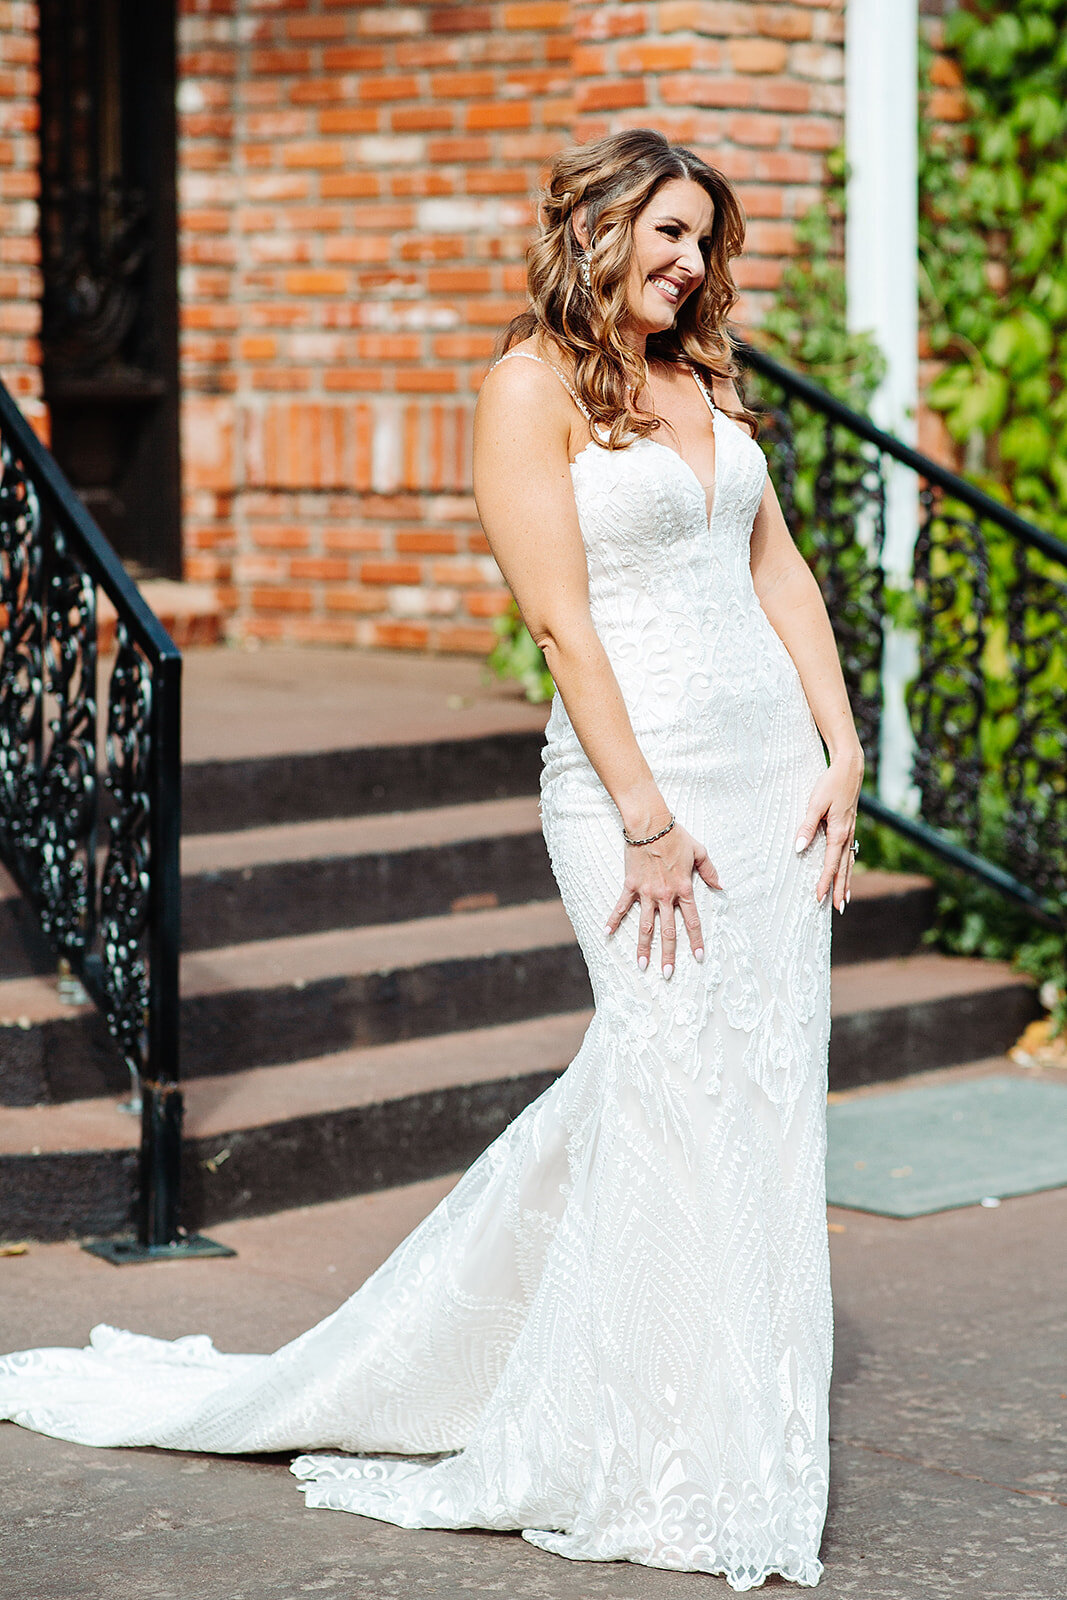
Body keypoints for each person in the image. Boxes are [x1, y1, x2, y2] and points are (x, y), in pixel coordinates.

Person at [0, 129, 863, 1591]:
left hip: (774, 787)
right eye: (666, 234)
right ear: (594, 227)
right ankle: (640, 1440)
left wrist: (842, 755)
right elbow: (561, 626)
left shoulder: (707, 379)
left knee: (750, 1106)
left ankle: (730, 1413)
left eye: (707, 241)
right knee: (667, 1079)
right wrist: (646, 816)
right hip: (636, 795)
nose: (691, 265)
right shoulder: (524, 389)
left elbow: (777, 566)